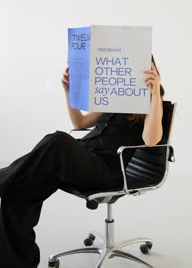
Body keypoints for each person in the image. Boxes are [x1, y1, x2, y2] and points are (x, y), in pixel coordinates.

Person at [0, 57, 164, 268]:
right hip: (82, 159)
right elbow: (80, 123)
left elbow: (152, 140)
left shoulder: (150, 101)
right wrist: (67, 91)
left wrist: (155, 92)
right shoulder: (115, 97)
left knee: (57, 140)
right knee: (18, 192)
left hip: (106, 170)